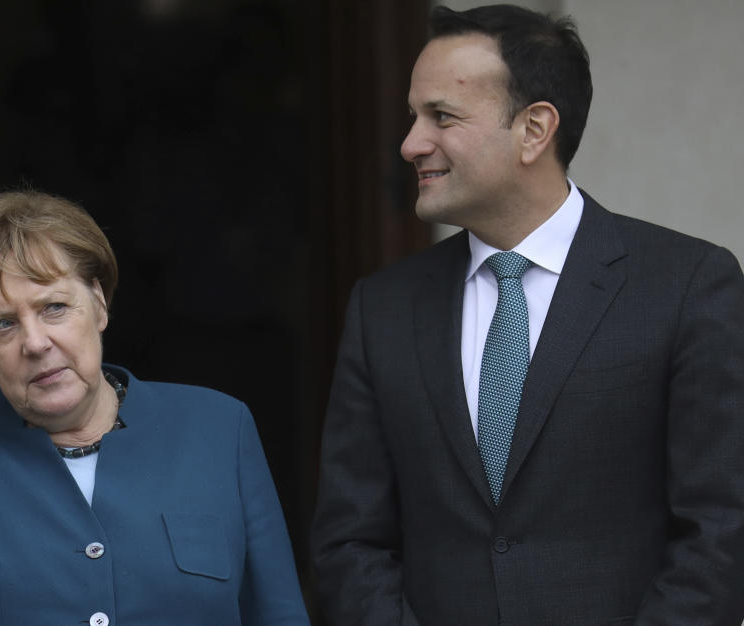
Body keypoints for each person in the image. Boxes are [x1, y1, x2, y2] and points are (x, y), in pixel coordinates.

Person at [311, 4, 744, 625]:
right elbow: (350, 539)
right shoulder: (383, 307)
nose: (411, 144)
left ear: (535, 129)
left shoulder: (686, 284)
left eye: (442, 116)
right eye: (413, 116)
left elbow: (721, 530)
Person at [0, 190, 310, 625]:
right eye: (1, 325)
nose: (36, 343)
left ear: (99, 304)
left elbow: (277, 611)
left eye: (54, 307)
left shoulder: (218, 427)